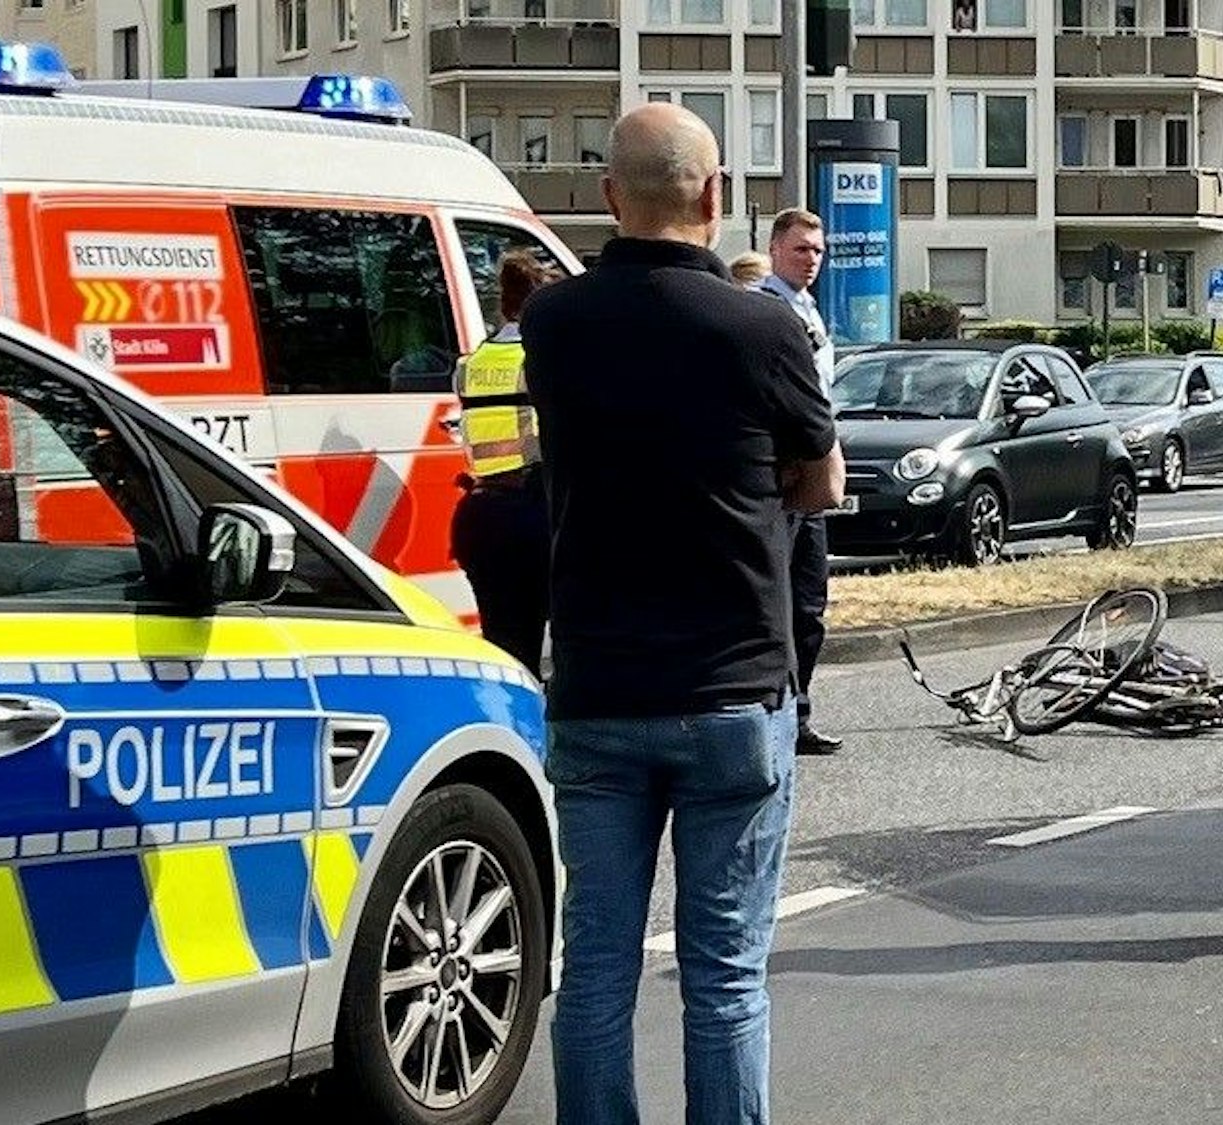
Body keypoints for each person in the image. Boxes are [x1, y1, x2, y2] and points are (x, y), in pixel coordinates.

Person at [520, 102, 843, 1124]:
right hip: (731, 689)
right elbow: (824, 483)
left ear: (608, 196)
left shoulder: (553, 322)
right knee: (725, 977)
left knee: (595, 969)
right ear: (715, 195)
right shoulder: (761, 325)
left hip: (598, 688)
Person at [757, 208, 843, 756]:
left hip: (811, 473)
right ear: (774, 250)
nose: (811, 259)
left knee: (809, 605)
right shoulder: (765, 310)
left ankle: (799, 713)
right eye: (800, 249)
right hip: (782, 476)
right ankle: (776, 716)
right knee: (777, 605)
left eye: (817, 251)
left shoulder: (808, 309)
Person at [448, 248, 556, 674]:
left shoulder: (471, 364)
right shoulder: (541, 359)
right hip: (535, 510)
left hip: (482, 513)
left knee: (507, 651)